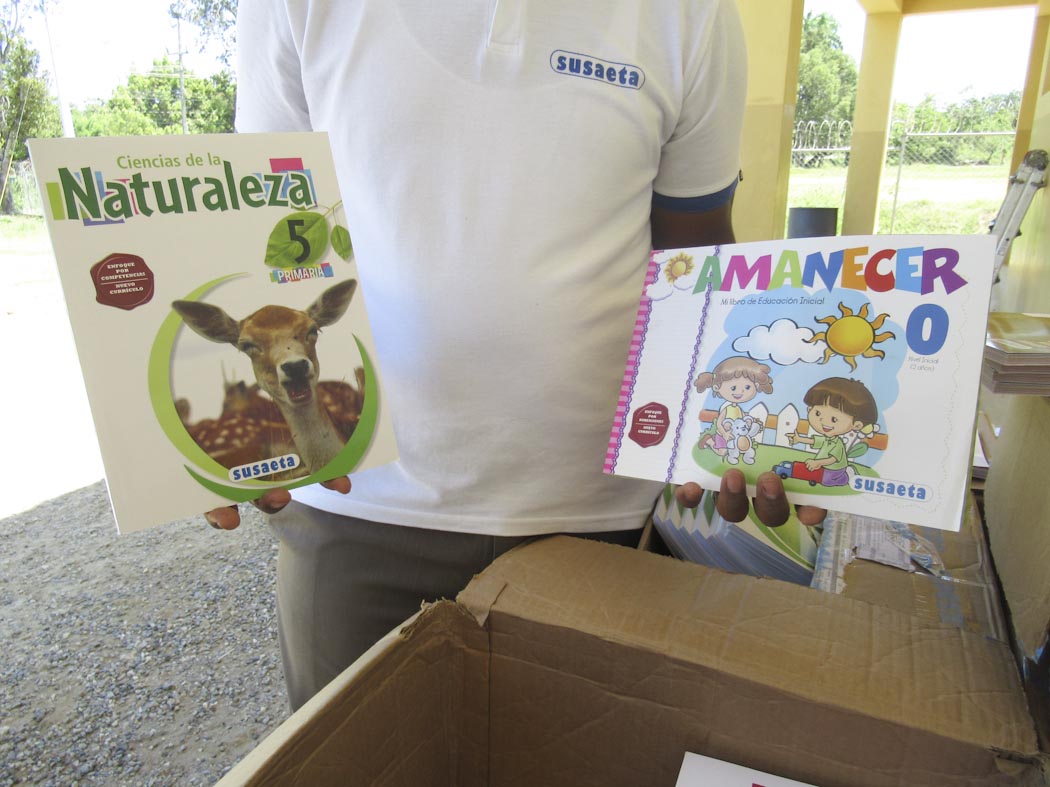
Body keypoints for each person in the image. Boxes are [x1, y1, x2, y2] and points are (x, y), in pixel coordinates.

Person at [215, 0, 825, 711]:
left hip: (607, 522)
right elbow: (265, 226)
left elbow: (696, 253)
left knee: (596, 757)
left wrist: (744, 438)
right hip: (357, 511)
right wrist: (202, 455)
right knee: (350, 756)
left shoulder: (689, 12)